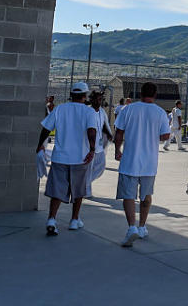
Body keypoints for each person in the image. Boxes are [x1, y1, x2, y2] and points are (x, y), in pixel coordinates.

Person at [35, 82, 99, 235]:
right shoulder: (89, 112)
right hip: (80, 158)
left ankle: (52, 219)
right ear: (85, 96)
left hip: (60, 157)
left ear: (71, 95)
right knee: (78, 191)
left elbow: (46, 129)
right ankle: (74, 220)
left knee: (57, 191)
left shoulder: (60, 109)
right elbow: (91, 131)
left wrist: (39, 146)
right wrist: (92, 149)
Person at [114, 81, 171, 247]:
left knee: (128, 195)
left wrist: (117, 150)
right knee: (146, 195)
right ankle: (142, 226)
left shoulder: (128, 109)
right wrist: (152, 135)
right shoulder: (160, 112)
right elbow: (165, 136)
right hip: (149, 162)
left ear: (140, 93)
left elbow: (119, 132)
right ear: (155, 95)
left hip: (130, 160)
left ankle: (131, 227)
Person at [87, 89, 113, 187]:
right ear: (92, 100)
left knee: (100, 168)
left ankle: (85, 183)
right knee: (88, 169)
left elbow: (103, 125)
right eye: (97, 99)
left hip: (99, 145)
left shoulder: (101, 112)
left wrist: (109, 135)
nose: (99, 101)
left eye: (100, 99)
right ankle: (85, 189)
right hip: (89, 146)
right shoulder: (88, 111)